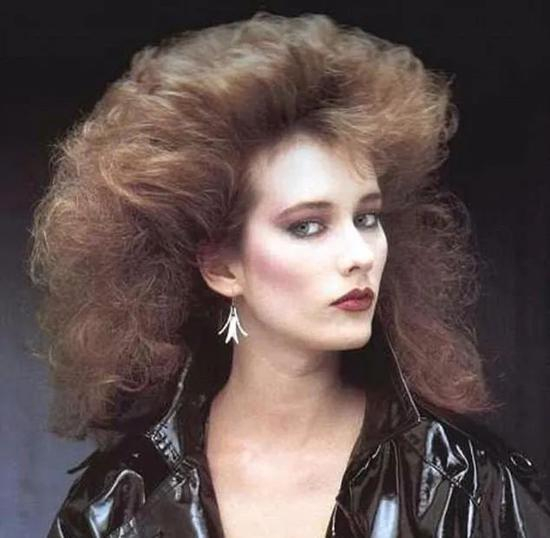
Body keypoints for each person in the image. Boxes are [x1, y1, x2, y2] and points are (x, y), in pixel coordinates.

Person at [28, 12, 550, 538]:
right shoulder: (118, 505)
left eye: (367, 218)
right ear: (220, 266)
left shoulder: (466, 487)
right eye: (307, 226)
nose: (359, 255)